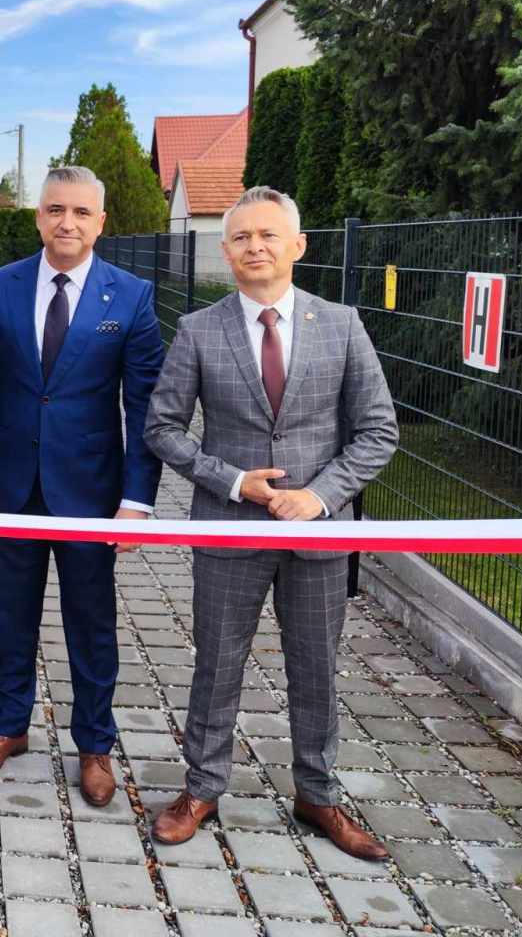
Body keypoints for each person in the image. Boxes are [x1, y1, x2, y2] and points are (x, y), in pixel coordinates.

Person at [144, 185, 398, 859]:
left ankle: (318, 794)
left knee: (316, 668)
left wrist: (319, 497)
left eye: (267, 235)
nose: (254, 246)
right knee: (216, 664)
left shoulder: (341, 325)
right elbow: (162, 428)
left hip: (319, 536)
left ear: (297, 245)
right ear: (227, 252)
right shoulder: (199, 330)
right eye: (241, 237)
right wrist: (232, 481)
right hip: (229, 530)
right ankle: (202, 787)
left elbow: (378, 431)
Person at [0, 166, 165, 803]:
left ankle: (95, 744)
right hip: (10, 484)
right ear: (38, 217)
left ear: (100, 222)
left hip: (91, 494)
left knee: (91, 622)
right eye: (55, 210)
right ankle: (9, 727)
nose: (66, 222)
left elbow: (145, 407)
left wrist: (137, 500)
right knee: (11, 616)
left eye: (80, 212)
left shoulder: (131, 296)